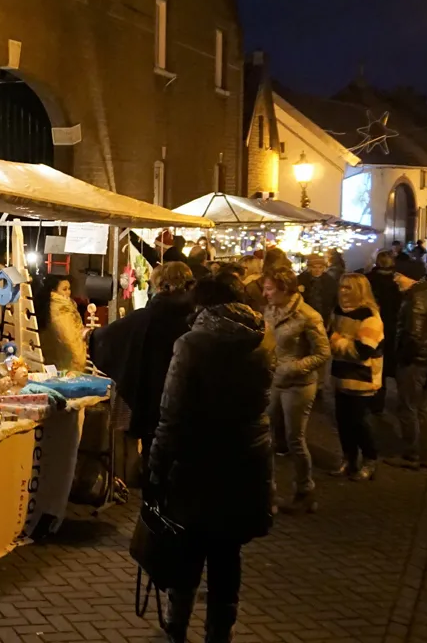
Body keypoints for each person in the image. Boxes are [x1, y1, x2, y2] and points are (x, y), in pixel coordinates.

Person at [148, 273, 275, 643]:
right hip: (246, 461)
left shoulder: (192, 343)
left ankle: (177, 625)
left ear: (201, 303)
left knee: (187, 549)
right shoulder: (262, 339)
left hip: (197, 461)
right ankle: (220, 633)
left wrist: (155, 466)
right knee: (227, 553)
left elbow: (171, 414)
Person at [88, 262, 195, 463]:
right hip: (190, 400)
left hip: (152, 400)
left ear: (160, 285)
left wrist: (90, 336)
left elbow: (106, 339)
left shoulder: (145, 317)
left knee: (153, 455)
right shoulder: (197, 316)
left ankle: (152, 492)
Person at [263, 267, 330, 513]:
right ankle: (267, 492)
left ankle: (305, 489)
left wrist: (293, 367)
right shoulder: (269, 310)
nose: (265, 293)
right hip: (272, 382)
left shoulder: (308, 315)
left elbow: (323, 353)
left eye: (269, 289)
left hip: (298, 386)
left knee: (295, 439)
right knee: (266, 438)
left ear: (284, 289)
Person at [329, 273, 384, 481]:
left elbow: (362, 351)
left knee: (359, 422)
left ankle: (370, 459)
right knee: (343, 421)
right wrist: (341, 340)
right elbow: (328, 336)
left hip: (362, 377)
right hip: (341, 374)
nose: (342, 292)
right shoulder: (336, 312)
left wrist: (337, 340)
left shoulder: (370, 317)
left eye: (348, 288)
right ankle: (349, 459)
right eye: (341, 287)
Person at [389, 271, 427, 469]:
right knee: (421, 408)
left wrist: (402, 359)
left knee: (408, 408)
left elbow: (413, 335)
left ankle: (412, 454)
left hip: (414, 364)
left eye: (398, 276)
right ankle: (425, 454)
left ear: (409, 276)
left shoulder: (415, 299)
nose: (395, 280)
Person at [368, 251, 402, 413]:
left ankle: (374, 401)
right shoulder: (397, 281)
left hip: (370, 327)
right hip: (391, 328)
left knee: (373, 364)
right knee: (386, 364)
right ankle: (383, 402)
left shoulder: (369, 279)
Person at [36, 275, 87, 372]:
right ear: (54, 290)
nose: (68, 292)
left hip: (52, 359)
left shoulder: (48, 304)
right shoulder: (61, 307)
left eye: (69, 289)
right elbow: (68, 337)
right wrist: (79, 359)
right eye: (64, 289)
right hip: (67, 362)